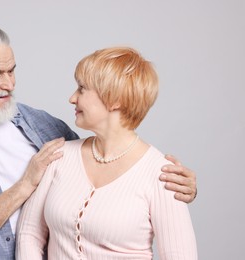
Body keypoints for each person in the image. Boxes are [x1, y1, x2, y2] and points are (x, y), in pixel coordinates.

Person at [0, 21, 197, 260]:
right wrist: (25, 185)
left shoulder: (45, 127)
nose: (10, 84)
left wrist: (177, 190)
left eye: (12, 70)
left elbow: (107, 161)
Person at [16, 47, 198, 259]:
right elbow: (29, 232)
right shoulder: (59, 155)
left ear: (115, 99)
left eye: (82, 89)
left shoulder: (162, 174)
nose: (72, 98)